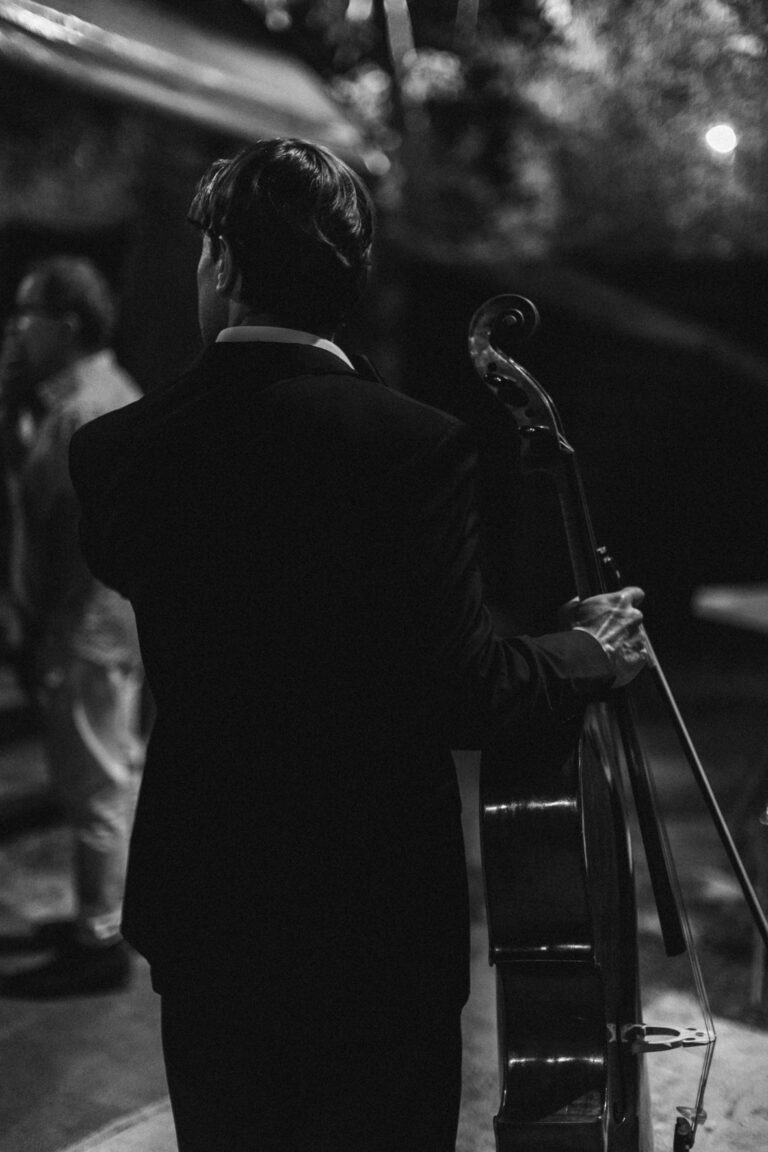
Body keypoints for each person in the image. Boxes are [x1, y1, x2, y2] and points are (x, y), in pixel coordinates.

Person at [67, 139, 647, 1151]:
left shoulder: (115, 451)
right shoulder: (415, 446)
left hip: (210, 914)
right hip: (375, 923)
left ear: (224, 264)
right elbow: (465, 689)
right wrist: (587, 650)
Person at [0, 256, 144, 998]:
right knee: (108, 773)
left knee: (96, 786)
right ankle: (106, 918)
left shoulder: (78, 411)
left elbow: (56, 536)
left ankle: (100, 939)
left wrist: (33, 622)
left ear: (66, 325)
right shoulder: (110, 390)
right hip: (112, 618)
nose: (15, 330)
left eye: (26, 315)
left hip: (83, 622)